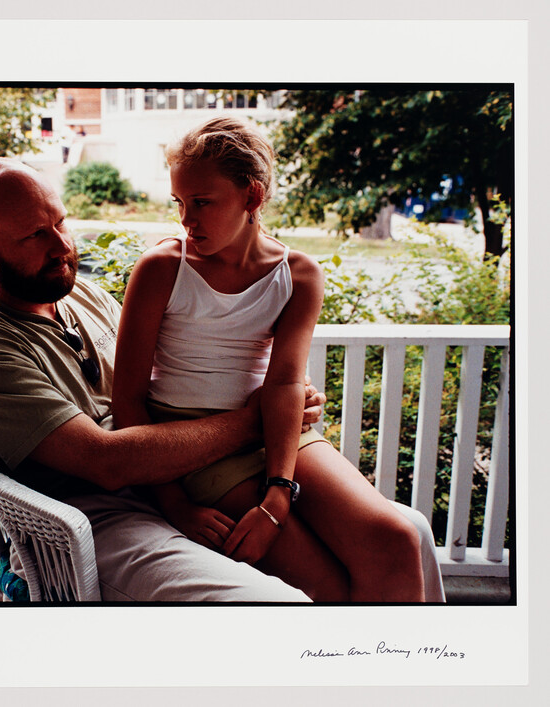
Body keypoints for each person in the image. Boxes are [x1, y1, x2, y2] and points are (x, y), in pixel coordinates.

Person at [0, 156, 445, 602]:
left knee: (407, 533)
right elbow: (108, 463)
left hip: (173, 479)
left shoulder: (83, 298)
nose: (61, 246)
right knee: (289, 604)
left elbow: (178, 373)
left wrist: (286, 402)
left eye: (60, 223)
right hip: (97, 524)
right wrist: (259, 421)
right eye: (34, 234)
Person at [111, 116, 441, 602]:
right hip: (190, 438)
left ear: (253, 196)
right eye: (180, 202)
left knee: (394, 540)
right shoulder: (163, 267)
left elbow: (286, 384)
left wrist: (277, 497)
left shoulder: (298, 274)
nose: (187, 220)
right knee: (328, 588)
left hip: (277, 431)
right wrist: (174, 505)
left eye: (202, 203)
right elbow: (128, 402)